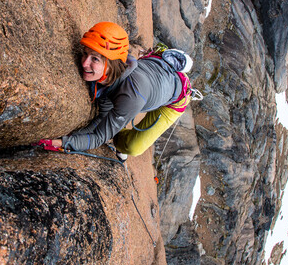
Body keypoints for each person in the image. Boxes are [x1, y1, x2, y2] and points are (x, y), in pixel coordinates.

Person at [43, 21, 192, 160]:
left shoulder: (131, 96)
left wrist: (62, 143)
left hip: (176, 96)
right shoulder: (111, 69)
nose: (84, 63)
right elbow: (103, 116)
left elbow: (98, 137)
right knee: (114, 117)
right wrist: (71, 135)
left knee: (133, 147)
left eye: (94, 59)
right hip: (157, 68)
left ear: (111, 63)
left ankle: (120, 140)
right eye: (85, 54)